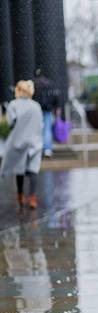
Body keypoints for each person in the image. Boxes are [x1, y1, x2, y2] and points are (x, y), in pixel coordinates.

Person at [0, 80, 44, 209]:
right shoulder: (36, 106)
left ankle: (20, 195)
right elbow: (41, 124)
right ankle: (32, 197)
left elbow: (10, 123)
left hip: (19, 142)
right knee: (34, 169)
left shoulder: (13, 105)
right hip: (35, 142)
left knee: (20, 170)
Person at [32, 70, 60, 158]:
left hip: (35, 110)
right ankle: (47, 149)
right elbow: (56, 96)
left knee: (36, 130)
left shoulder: (33, 83)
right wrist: (57, 107)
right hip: (47, 109)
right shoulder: (49, 84)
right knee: (47, 129)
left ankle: (37, 148)